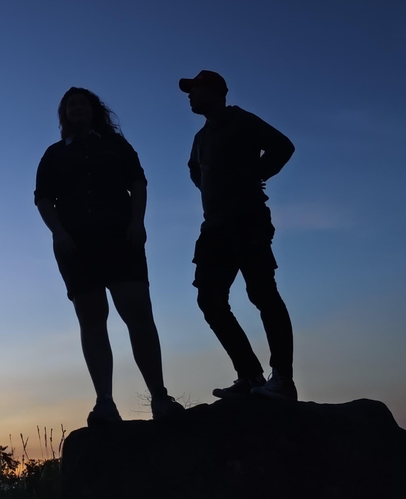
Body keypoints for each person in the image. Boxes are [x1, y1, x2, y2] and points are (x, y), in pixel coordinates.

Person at [35, 87, 183, 426]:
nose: (75, 108)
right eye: (69, 104)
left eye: (81, 102)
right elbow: (43, 198)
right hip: (75, 243)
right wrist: (58, 232)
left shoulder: (116, 145)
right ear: (64, 114)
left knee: (137, 311)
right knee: (91, 317)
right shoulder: (54, 154)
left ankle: (159, 396)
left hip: (120, 236)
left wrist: (137, 222)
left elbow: (138, 183)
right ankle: (105, 401)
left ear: (93, 109)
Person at [180, 70, 297, 401]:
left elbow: (283, 146)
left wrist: (255, 175)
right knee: (210, 300)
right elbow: (195, 169)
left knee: (262, 293)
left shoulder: (241, 120)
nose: (190, 95)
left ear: (216, 91)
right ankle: (250, 376)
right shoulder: (200, 137)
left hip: (248, 220)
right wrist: (212, 188)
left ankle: (283, 380)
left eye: (195, 89)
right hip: (214, 228)